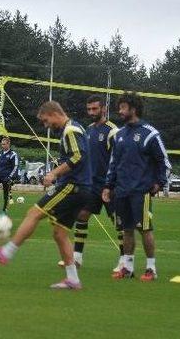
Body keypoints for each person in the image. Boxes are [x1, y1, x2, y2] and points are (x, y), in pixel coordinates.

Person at [0, 101, 91, 290]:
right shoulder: (73, 128)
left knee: (34, 213)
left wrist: (54, 173)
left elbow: (77, 157)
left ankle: (6, 253)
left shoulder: (70, 130)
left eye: (46, 120)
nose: (46, 125)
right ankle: (73, 279)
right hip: (79, 188)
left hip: (74, 186)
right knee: (59, 233)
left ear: (54, 113)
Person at [103, 92, 170, 282]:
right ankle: (128, 267)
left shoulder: (150, 133)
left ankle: (151, 268)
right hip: (121, 190)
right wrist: (108, 186)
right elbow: (113, 163)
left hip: (141, 191)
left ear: (133, 108)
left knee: (145, 229)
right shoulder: (120, 135)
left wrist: (159, 182)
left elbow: (163, 161)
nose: (120, 111)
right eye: (120, 107)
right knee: (126, 229)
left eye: (123, 107)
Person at [58, 95, 122, 271]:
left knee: (118, 221)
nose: (92, 112)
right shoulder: (88, 130)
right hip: (91, 185)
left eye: (95, 109)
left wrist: (112, 184)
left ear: (103, 109)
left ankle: (124, 261)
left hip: (109, 185)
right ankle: (76, 258)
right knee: (82, 216)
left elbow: (118, 159)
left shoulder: (112, 131)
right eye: (89, 109)